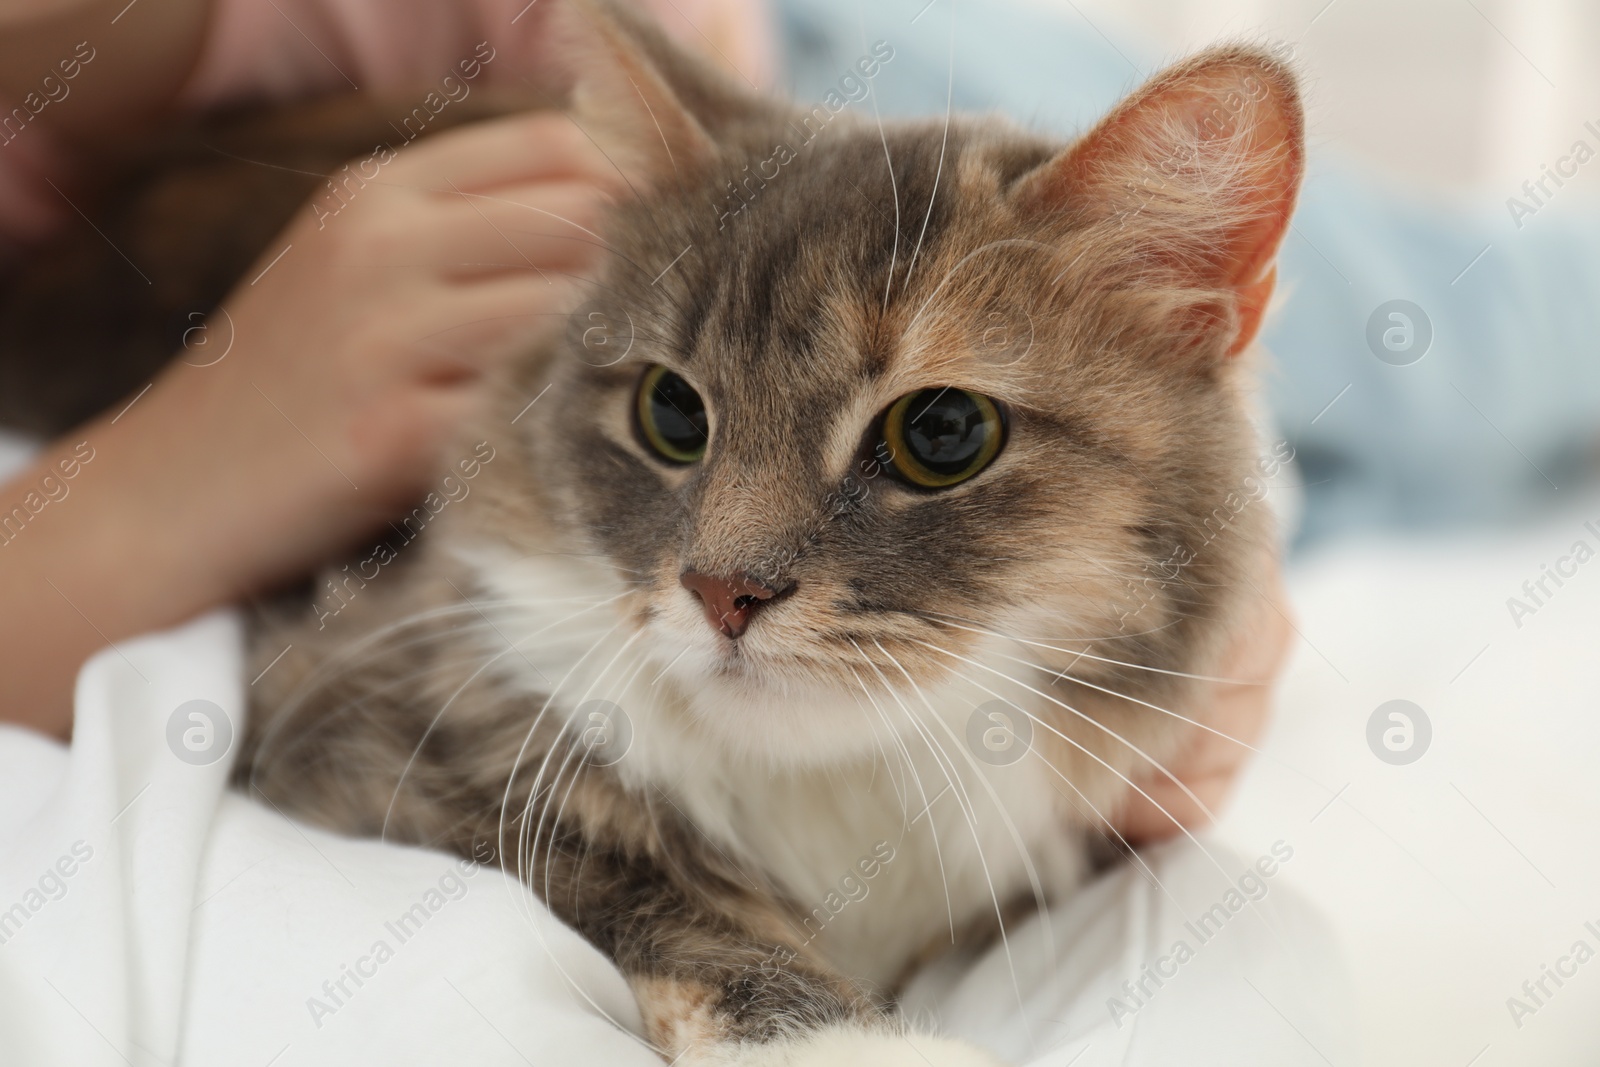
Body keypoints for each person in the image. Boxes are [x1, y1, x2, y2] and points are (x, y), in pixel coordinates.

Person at [0, 0, 1287, 848]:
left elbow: (1182, 382)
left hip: (863, 86)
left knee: (1454, 365)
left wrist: (1219, 596)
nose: (735, 576)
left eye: (932, 432)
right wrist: (174, 471)